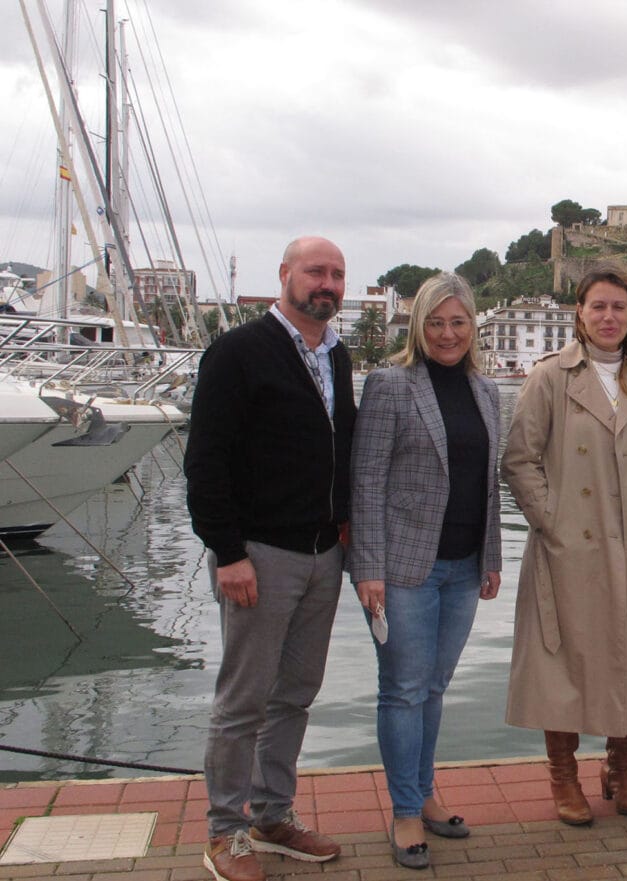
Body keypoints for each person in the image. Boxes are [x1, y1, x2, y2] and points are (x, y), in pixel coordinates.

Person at [185, 236, 355, 881]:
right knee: (243, 700)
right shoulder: (238, 352)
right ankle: (225, 832)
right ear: (284, 275)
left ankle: (272, 815)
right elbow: (205, 461)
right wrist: (228, 553)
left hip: (322, 553)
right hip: (258, 554)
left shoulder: (335, 357)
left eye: (338, 275)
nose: (328, 283)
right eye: (316, 271)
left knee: (295, 695)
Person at [502, 261, 627, 826]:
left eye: (619, 306)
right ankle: (564, 776)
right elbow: (520, 458)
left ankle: (623, 768)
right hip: (572, 546)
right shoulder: (550, 378)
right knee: (559, 660)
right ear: (579, 314)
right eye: (598, 306)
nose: (609, 316)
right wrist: (552, 520)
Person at [350, 273, 501, 869]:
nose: (447, 333)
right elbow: (366, 480)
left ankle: (427, 792)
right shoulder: (390, 385)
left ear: (472, 327)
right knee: (405, 689)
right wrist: (368, 569)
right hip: (405, 567)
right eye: (436, 322)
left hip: (464, 565)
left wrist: (490, 559)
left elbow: (486, 485)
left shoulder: (485, 390)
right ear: (418, 327)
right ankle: (406, 811)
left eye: (458, 322)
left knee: (433, 689)